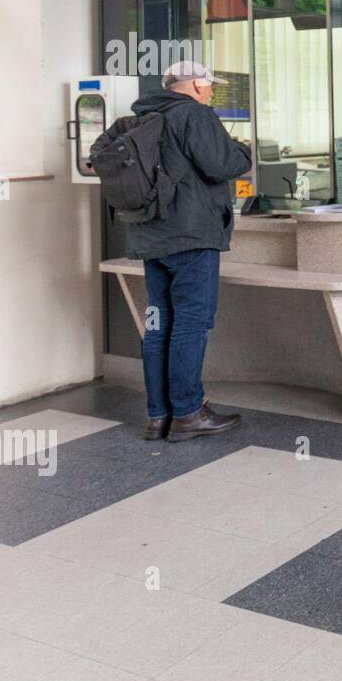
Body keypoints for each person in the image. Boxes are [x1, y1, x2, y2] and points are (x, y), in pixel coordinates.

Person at [126, 61, 253, 442]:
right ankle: (188, 412)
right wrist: (242, 150)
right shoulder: (194, 115)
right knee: (191, 323)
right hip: (191, 236)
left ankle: (158, 415)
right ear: (196, 85)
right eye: (210, 86)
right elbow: (221, 165)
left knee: (158, 324)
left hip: (151, 238)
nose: (212, 92)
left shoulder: (141, 117)